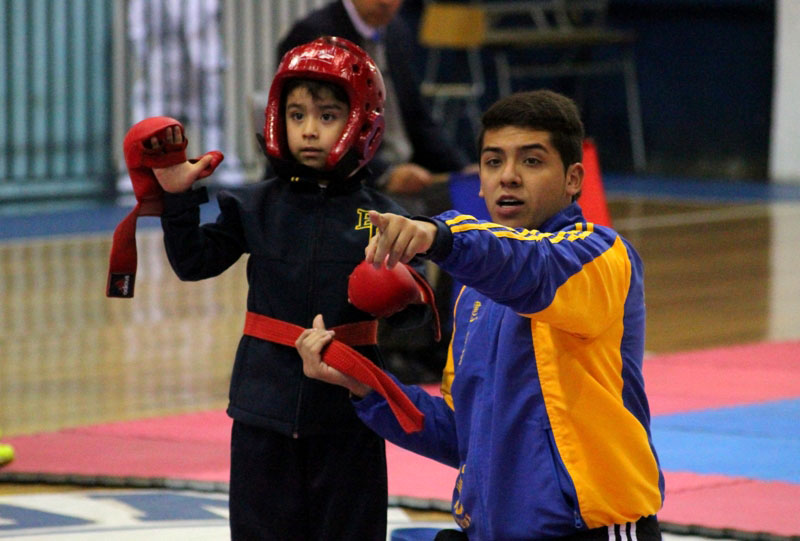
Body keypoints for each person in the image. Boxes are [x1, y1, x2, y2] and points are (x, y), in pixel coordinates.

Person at [297, 90, 665, 540]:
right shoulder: (472, 291)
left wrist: (437, 232)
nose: (507, 177)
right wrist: (364, 383)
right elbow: (460, 435)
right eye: (493, 162)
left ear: (573, 179)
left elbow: (529, 266)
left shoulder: (600, 256)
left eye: (531, 162)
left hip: (592, 529)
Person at [146, 37, 433, 540]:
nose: (309, 130)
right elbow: (193, 263)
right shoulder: (254, 204)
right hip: (264, 408)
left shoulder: (386, 218)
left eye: (326, 116)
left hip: (352, 409)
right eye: (297, 115)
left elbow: (420, 323)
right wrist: (177, 201)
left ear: (361, 120)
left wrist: (404, 292)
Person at [275, 0, 470, 211]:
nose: (386, 2)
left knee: (469, 210)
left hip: (403, 172)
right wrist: (384, 174)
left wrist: (462, 168)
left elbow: (417, 116)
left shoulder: (396, 30)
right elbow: (318, 133)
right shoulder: (315, 34)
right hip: (350, 180)